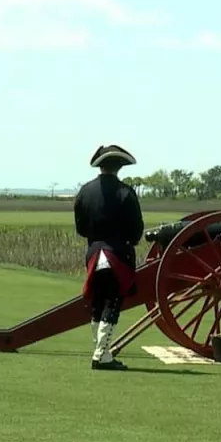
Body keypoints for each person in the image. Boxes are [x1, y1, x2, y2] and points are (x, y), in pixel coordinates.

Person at [74, 144, 144, 371]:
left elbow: (81, 228)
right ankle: (101, 355)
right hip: (117, 253)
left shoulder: (85, 191)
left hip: (94, 252)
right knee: (112, 302)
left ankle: (101, 351)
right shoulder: (125, 192)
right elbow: (136, 230)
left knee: (97, 303)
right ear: (119, 167)